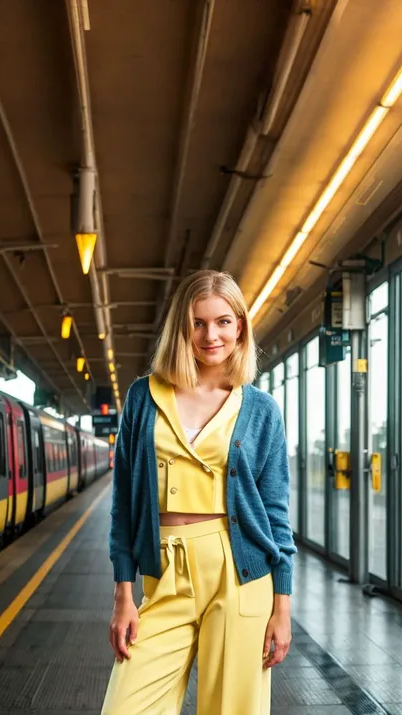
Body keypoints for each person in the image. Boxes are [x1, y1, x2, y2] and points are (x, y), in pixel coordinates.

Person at [101, 269, 297, 715]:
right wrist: (123, 594)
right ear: (181, 328)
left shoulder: (262, 409)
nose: (211, 335)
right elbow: (124, 505)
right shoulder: (143, 397)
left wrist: (281, 608)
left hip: (240, 573)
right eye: (199, 322)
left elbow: (276, 513)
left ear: (240, 327)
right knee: (125, 706)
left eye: (224, 321)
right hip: (164, 570)